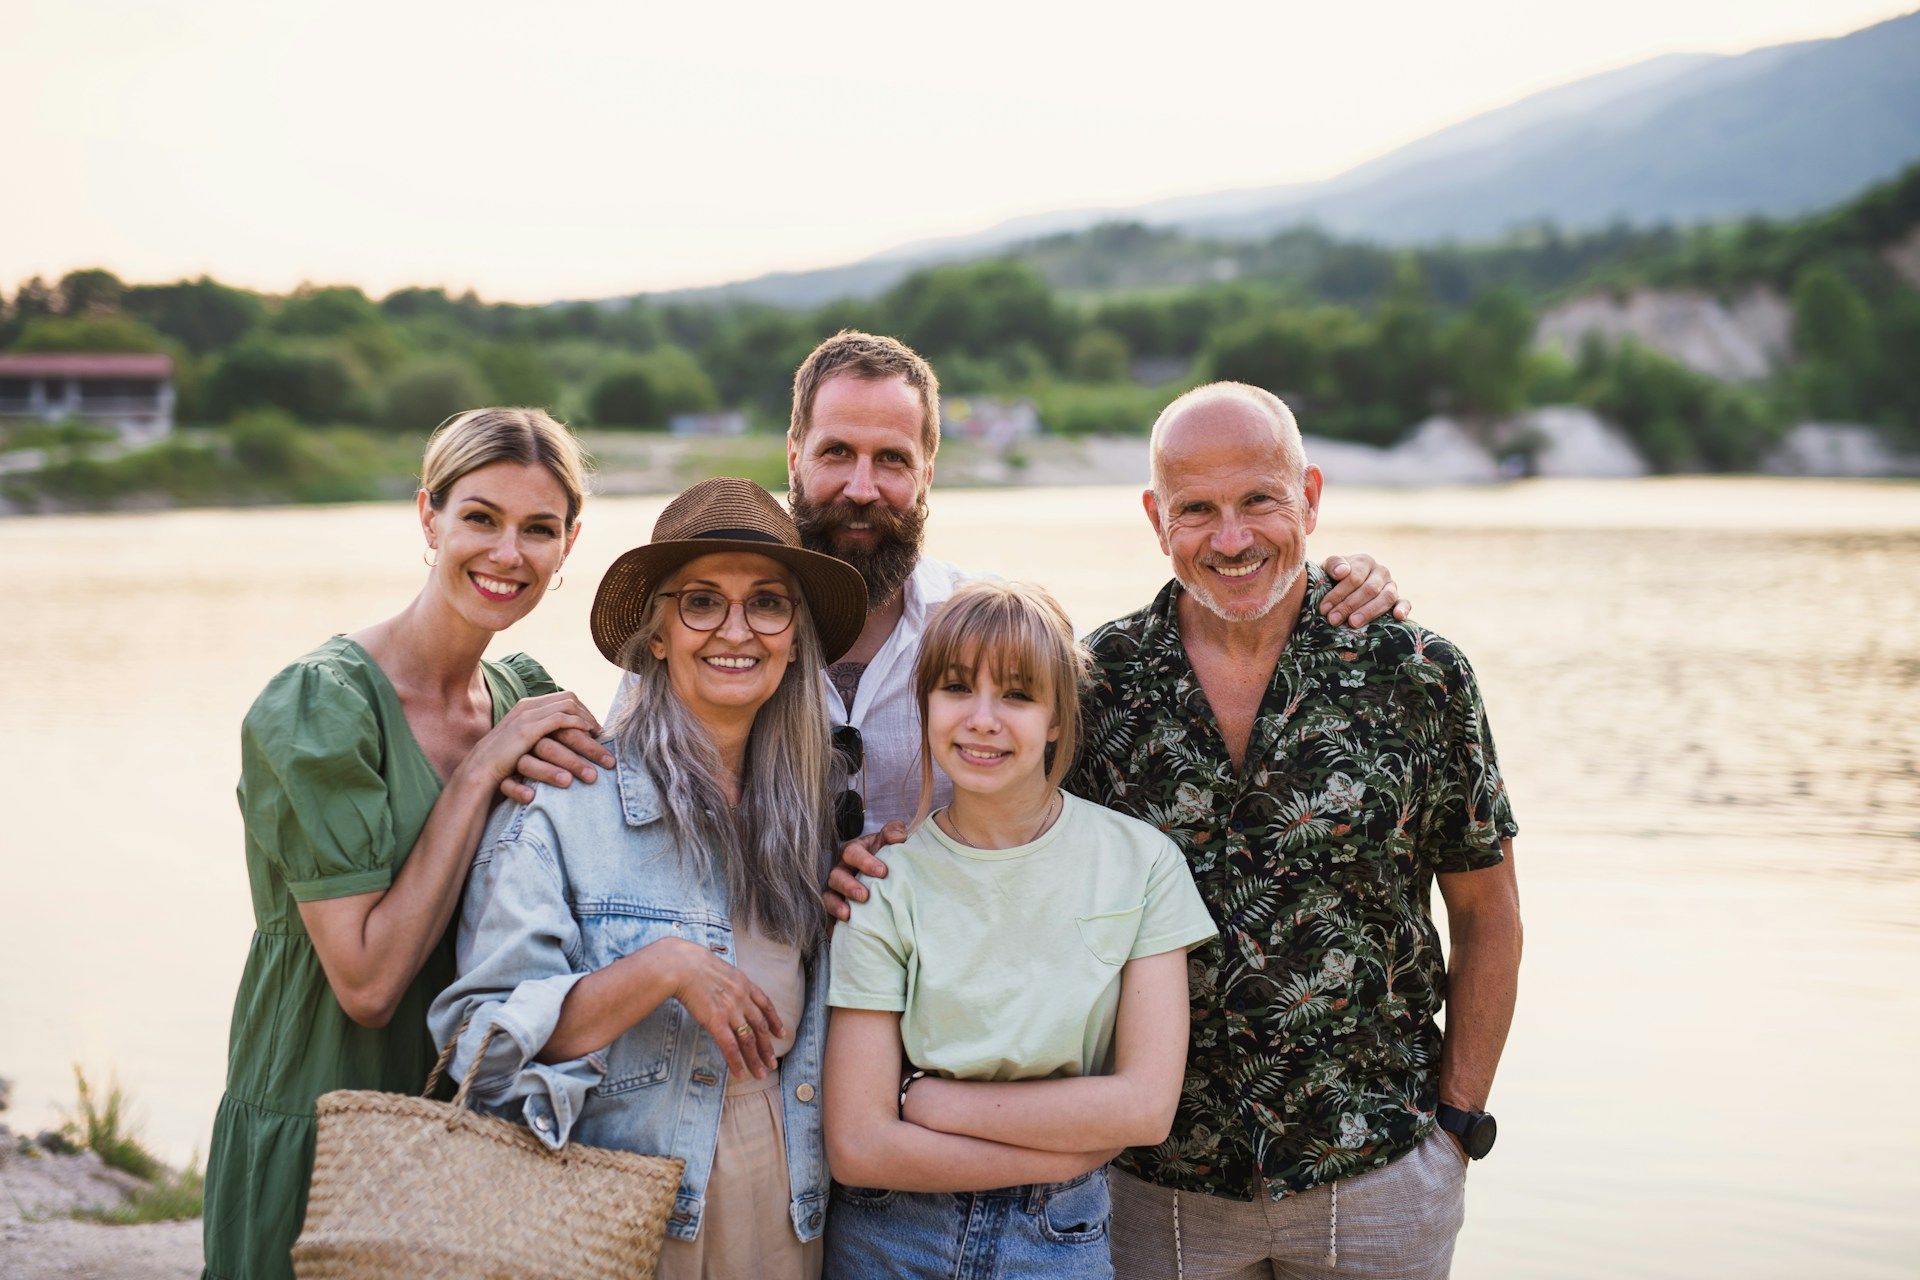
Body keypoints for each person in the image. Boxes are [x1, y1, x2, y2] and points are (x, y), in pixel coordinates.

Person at [545, 331, 1409, 837]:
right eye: (837, 452)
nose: (861, 487)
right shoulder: (711, 638)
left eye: (893, 460)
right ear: (792, 456)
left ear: (929, 472)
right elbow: (625, 803)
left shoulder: (987, 631)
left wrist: (1337, 580)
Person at [1071, 383, 1523, 1279]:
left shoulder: (1419, 676)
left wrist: (1458, 1126)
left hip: (1380, 1174)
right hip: (1158, 1186)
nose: (1231, 539)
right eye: (1197, 509)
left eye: (1259, 501)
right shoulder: (1096, 684)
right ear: (1158, 518)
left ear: (1309, 498)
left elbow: (1488, 913)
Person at [202, 408, 614, 1280]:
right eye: (480, 517)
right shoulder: (321, 707)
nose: (508, 553)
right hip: (319, 1107)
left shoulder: (521, 697)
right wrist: (476, 776)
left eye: (539, 529)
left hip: (466, 1128)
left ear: (569, 546)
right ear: (427, 517)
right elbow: (368, 983)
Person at [429, 477, 868, 1280]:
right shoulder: (563, 809)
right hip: (620, 1220)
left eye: (768, 603)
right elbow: (478, 1050)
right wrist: (660, 970)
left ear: (795, 636)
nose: (736, 630)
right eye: (701, 602)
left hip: (791, 1215)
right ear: (657, 633)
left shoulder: (813, 813)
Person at [822, 580, 1219, 1279]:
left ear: (1058, 718)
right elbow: (859, 1144)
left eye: (1016, 694)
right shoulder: (884, 882)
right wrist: (1066, 1153)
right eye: (955, 689)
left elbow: (1145, 1108)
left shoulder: (1141, 864)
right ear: (924, 708)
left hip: (1058, 1242)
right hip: (888, 1235)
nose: (981, 719)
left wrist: (928, 1099)